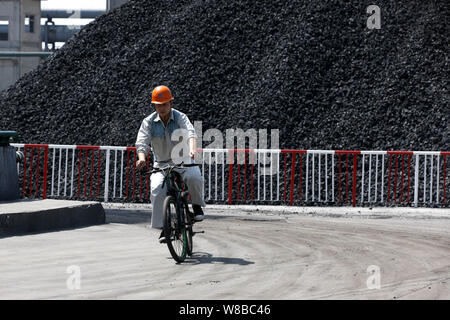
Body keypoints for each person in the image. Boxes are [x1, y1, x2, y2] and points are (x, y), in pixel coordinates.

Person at [135, 85, 205, 243]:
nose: (162, 107)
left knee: (194, 177)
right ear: (154, 105)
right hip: (161, 163)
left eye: (165, 104)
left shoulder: (180, 117)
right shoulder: (148, 122)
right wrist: (142, 159)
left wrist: (193, 150)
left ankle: (196, 205)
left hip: (183, 159)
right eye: (158, 105)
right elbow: (142, 143)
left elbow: (191, 133)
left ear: (171, 103)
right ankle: (164, 228)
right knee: (157, 189)